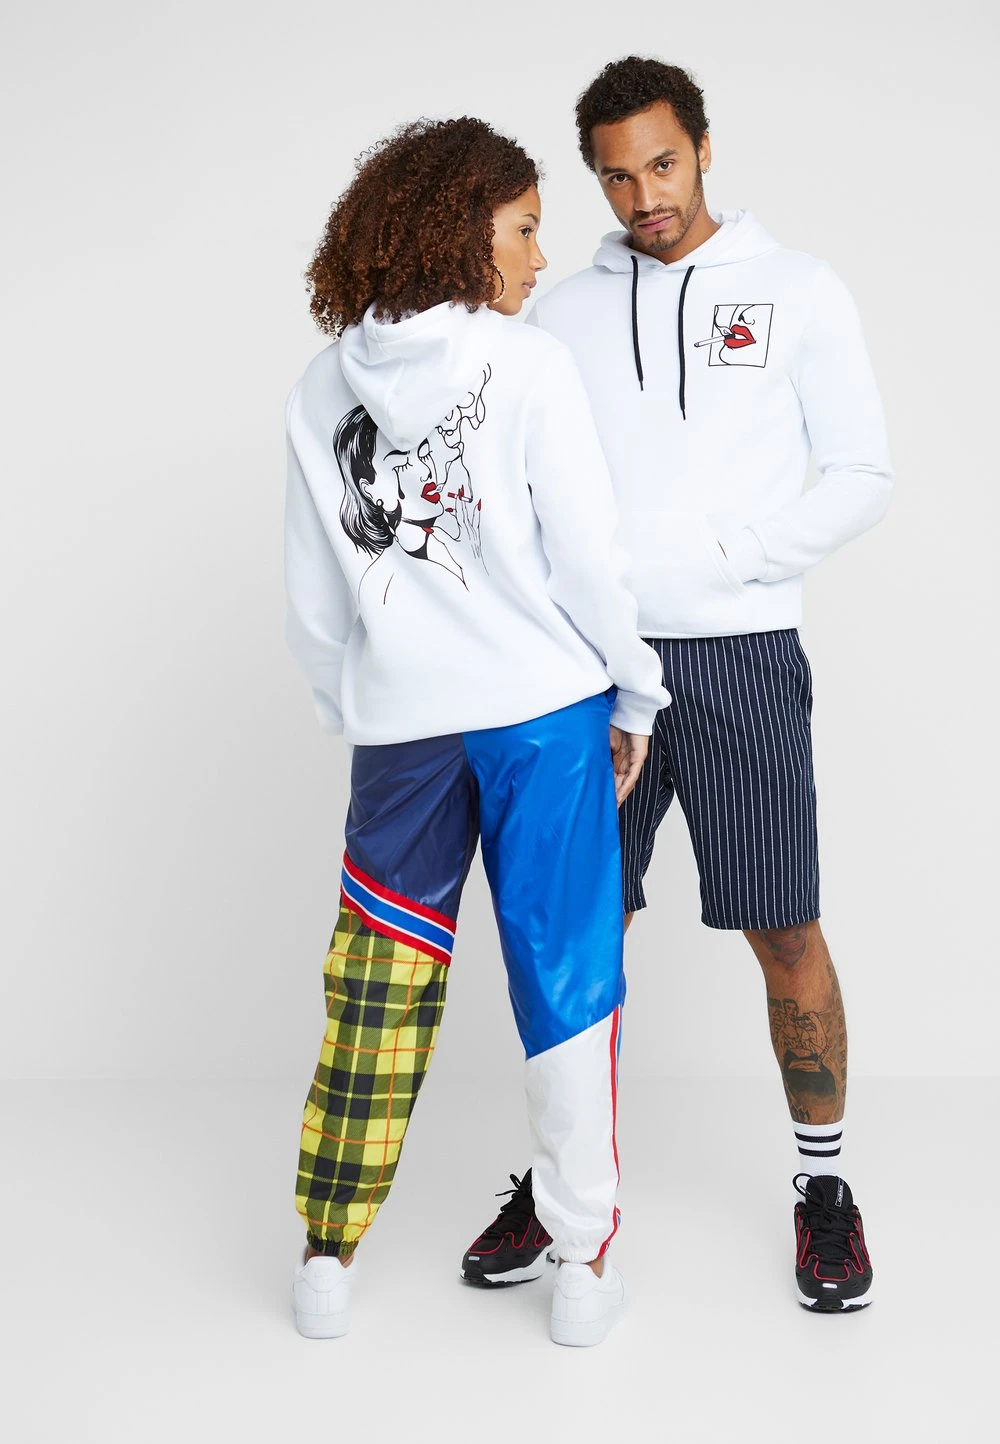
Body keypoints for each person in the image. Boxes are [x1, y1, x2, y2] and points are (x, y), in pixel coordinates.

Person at [462, 58, 891, 1314]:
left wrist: (725, 560)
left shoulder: (798, 289)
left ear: (702, 148)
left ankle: (823, 1186)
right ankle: (563, 1192)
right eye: (615, 175)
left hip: (742, 657)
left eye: (661, 163)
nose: (643, 195)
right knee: (580, 937)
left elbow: (862, 473)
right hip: (591, 671)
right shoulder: (559, 315)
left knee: (785, 928)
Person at [283, 116, 670, 1346]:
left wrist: (367, 701)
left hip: (402, 734)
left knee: (376, 983)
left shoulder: (319, 386)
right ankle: (581, 1264)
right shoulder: (527, 365)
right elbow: (589, 558)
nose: (540, 257)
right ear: (459, 232)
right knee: (568, 984)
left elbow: (313, 601)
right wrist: (636, 691)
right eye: (522, 228)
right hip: (542, 720)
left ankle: (326, 1257)